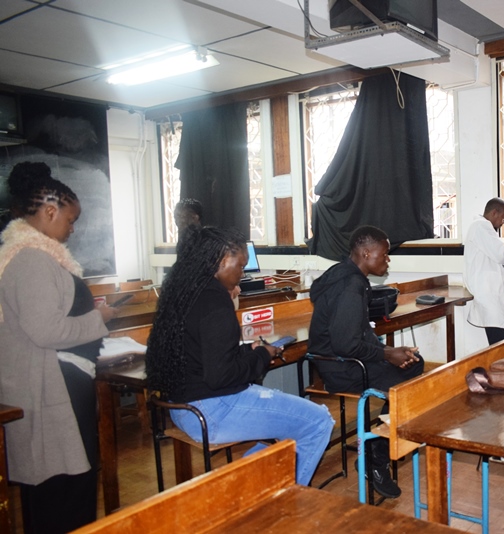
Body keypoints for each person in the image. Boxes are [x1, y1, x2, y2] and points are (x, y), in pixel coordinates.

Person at [146, 225, 333, 486]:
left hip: (184, 408)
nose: (242, 274)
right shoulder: (215, 302)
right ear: (223, 260)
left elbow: (205, 356)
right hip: (211, 411)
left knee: (292, 423)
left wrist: (247, 351)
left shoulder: (186, 292)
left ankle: (244, 487)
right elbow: (221, 376)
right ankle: (283, 500)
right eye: (241, 266)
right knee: (318, 422)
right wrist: (262, 356)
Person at [0, 161, 119, 532]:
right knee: (62, 492)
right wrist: (98, 318)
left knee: (65, 488)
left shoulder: (33, 257)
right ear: (50, 212)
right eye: (70, 220)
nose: (72, 228)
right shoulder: (31, 261)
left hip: (60, 385)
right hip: (52, 391)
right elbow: (45, 330)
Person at [307, 225, 424, 499]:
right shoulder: (351, 286)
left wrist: (392, 351)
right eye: (384, 254)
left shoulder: (349, 274)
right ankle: (376, 458)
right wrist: (388, 355)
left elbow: (360, 333)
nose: (388, 259)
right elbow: (345, 344)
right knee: (407, 388)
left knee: (414, 363)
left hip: (347, 359)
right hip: (341, 366)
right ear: (366, 253)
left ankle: (378, 445)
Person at [464, 198, 504, 344]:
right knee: (500, 343)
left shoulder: (483, 228)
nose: (503, 222)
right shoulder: (480, 226)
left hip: (496, 291)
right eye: (503, 218)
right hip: (489, 294)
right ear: (494, 213)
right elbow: (501, 255)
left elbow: (497, 252)